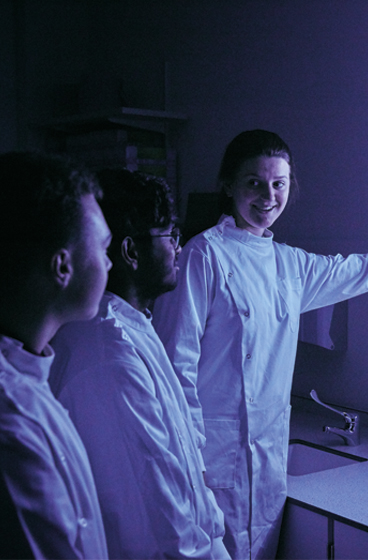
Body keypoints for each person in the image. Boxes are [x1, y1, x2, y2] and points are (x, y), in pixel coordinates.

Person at [153, 130, 368, 559]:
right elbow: (174, 368)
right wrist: (189, 461)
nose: (267, 196)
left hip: (266, 460)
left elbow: (364, 270)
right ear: (228, 185)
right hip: (211, 462)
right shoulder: (203, 256)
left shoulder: (289, 264)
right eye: (254, 183)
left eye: (278, 184)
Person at [49, 169, 230, 559]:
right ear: (131, 252)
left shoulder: (134, 325)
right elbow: (159, 519)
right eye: (171, 237)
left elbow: (179, 465)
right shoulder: (108, 354)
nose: (178, 249)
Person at [0, 151, 110, 559]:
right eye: (103, 247)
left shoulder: (28, 376)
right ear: (62, 266)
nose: (109, 262)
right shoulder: (11, 424)